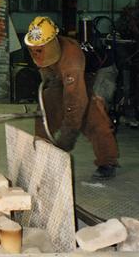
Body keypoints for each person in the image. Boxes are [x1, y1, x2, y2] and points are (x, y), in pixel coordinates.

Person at [24, 16, 119, 179]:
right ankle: (42, 153)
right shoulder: (44, 50)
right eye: (34, 49)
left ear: (51, 42)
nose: (36, 53)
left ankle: (107, 161)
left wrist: (67, 137)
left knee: (93, 113)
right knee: (46, 108)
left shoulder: (71, 57)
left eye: (39, 49)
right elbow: (50, 81)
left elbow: (76, 101)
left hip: (100, 72)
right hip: (69, 74)